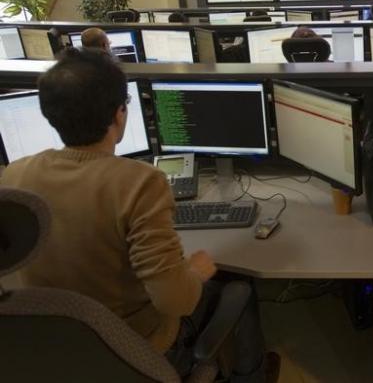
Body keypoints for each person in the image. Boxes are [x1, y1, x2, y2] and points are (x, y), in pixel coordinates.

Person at [0, 48, 278, 382]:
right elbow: (176, 302)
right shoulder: (139, 182)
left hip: (62, 347)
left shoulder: (14, 176)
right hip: (137, 349)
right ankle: (253, 376)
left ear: (50, 115)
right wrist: (194, 271)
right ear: (120, 115)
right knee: (238, 286)